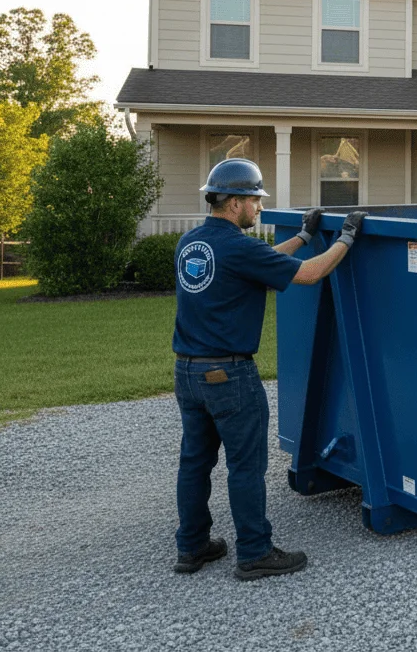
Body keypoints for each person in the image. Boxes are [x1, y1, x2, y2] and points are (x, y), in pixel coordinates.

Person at [171, 157, 366, 580]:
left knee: (195, 462)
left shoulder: (192, 243)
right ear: (234, 202)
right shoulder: (238, 247)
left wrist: (302, 236)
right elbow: (310, 274)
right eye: (255, 200)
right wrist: (347, 240)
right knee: (245, 466)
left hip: (187, 373)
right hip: (229, 376)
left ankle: (192, 547)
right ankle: (255, 552)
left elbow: (261, 263)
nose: (259, 207)